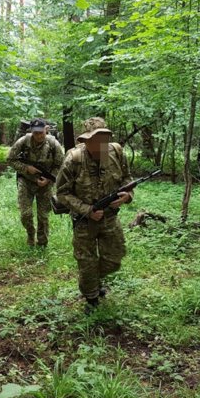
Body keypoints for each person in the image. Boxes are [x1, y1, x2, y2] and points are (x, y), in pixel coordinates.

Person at [55, 117, 133, 313]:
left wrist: (127, 196)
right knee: (86, 262)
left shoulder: (116, 152)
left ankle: (94, 281)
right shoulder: (74, 159)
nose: (101, 144)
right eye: (96, 140)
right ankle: (91, 297)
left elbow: (127, 179)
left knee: (114, 259)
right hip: (84, 222)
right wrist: (87, 210)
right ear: (86, 141)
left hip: (110, 217)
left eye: (104, 139)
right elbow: (62, 193)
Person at [7, 118, 64, 247]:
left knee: (43, 216)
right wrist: (27, 168)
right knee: (25, 214)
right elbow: (10, 159)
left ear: (46, 130)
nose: (38, 136)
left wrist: (49, 179)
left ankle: (42, 243)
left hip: (46, 184)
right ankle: (30, 234)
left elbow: (60, 165)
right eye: (35, 133)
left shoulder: (54, 144)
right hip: (26, 181)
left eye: (41, 132)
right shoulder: (24, 141)